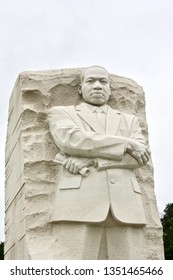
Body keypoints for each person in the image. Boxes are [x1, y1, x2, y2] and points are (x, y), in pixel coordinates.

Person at [47, 66, 150, 259]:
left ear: (110, 89)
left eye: (103, 82)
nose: (97, 86)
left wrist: (91, 159)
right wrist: (126, 143)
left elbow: (139, 158)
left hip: (126, 203)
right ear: (80, 88)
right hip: (78, 202)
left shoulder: (130, 120)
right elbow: (73, 140)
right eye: (91, 81)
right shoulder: (61, 113)